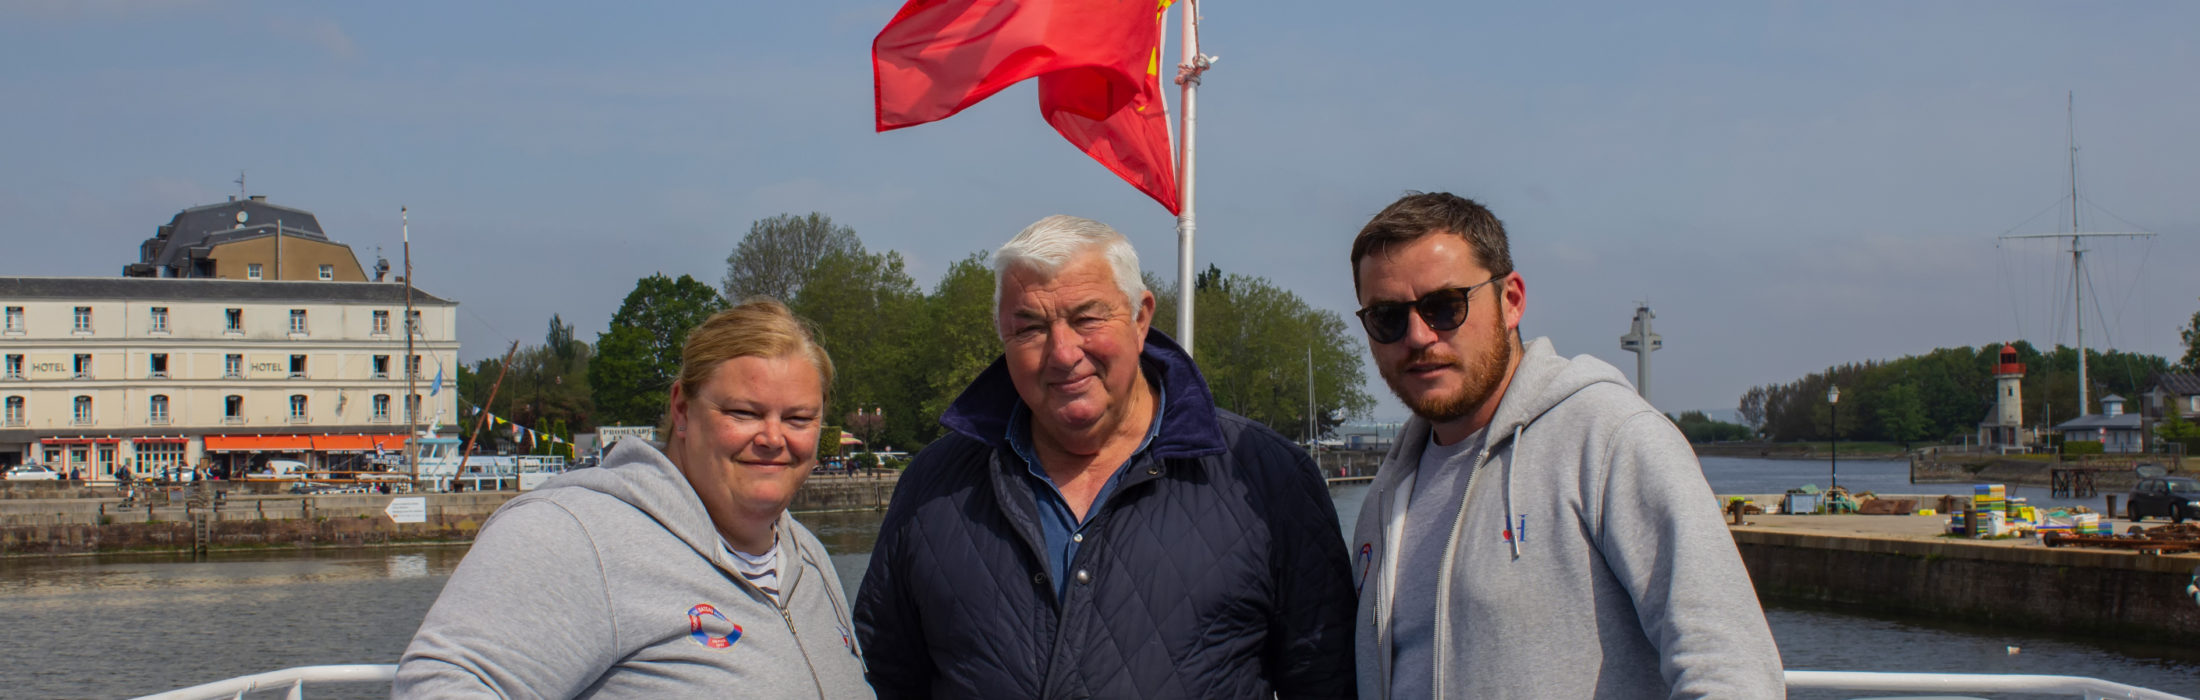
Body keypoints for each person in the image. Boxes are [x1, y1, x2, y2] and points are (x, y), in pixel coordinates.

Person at [855, 215, 1356, 699]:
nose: (1062, 352)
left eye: (1087, 318)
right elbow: (881, 678)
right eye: (1030, 328)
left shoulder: (1267, 479)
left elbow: (1326, 679)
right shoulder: (935, 485)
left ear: (1141, 318)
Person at [1344, 192, 1785, 698]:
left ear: (1511, 300)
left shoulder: (1610, 440)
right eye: (1388, 317)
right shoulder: (1387, 493)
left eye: (1445, 307)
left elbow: (1732, 670)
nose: (1418, 336)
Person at [395, 299, 871, 699]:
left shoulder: (806, 557)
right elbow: (438, 686)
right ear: (681, 410)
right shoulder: (577, 535)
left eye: (798, 418)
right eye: (744, 413)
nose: (773, 437)